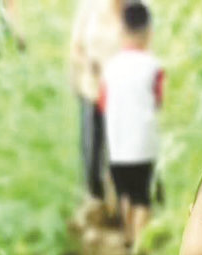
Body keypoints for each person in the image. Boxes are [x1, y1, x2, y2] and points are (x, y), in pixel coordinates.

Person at [99, 1, 163, 255]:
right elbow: (159, 99)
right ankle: (139, 246)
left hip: (117, 144)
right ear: (149, 32)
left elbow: (102, 103)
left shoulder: (110, 67)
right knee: (142, 198)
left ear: (122, 31)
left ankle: (128, 239)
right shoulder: (154, 66)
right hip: (145, 144)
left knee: (124, 194)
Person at [69, 0, 125, 222]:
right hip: (92, 88)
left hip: (122, 95)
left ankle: (119, 209)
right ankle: (96, 201)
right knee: (92, 150)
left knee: (119, 152)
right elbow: (75, 49)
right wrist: (89, 63)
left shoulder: (135, 7)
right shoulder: (89, 7)